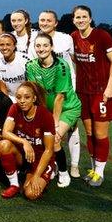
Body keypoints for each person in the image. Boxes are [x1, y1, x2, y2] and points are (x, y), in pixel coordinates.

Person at [0, 82, 55, 200]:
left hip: (40, 158)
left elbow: (49, 150)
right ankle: (14, 184)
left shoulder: (45, 115)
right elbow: (5, 132)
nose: (22, 101)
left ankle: (45, 172)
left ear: (34, 98)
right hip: (23, 155)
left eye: (27, 97)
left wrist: (36, 176)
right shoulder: (15, 108)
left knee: (30, 194)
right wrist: (24, 142)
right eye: (19, 97)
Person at [71, 5, 112, 187]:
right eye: (77, 17)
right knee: (89, 132)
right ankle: (93, 168)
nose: (81, 20)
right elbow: (75, 59)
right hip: (83, 92)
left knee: (100, 134)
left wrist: (110, 87)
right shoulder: (74, 37)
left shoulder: (102, 36)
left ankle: (100, 172)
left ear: (90, 19)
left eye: (84, 16)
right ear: (73, 20)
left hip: (101, 92)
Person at [26, 33, 81, 188]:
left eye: (45, 45)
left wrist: (54, 123)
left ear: (51, 47)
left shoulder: (61, 65)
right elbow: (36, 93)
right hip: (48, 108)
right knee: (44, 137)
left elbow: (60, 98)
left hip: (68, 108)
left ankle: (64, 173)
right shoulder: (30, 66)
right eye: (38, 46)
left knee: (55, 137)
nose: (41, 49)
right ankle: (53, 167)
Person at [0, 33, 28, 101]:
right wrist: (8, 103)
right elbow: (3, 90)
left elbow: (31, 84)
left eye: (8, 44)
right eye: (2, 45)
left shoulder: (25, 60)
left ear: (14, 46)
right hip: (10, 98)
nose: (4, 48)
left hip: (25, 97)